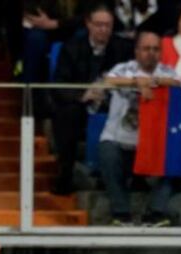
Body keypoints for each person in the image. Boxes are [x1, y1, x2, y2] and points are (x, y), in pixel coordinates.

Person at [99, 30, 179, 226]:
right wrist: (136, 82)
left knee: (177, 153)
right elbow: (108, 80)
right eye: (145, 49)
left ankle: (155, 213)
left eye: (155, 49)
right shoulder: (124, 68)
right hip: (121, 142)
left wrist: (153, 83)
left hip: (153, 145)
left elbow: (177, 83)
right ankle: (121, 214)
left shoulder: (167, 71)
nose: (150, 53)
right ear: (136, 51)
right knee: (107, 150)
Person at [50, 4, 131, 196]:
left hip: (114, 102)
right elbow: (59, 86)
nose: (103, 29)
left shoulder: (123, 48)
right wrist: (83, 94)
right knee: (66, 114)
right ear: (88, 24)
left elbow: (132, 77)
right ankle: (65, 176)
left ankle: (126, 179)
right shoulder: (71, 47)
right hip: (82, 103)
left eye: (108, 25)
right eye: (98, 25)